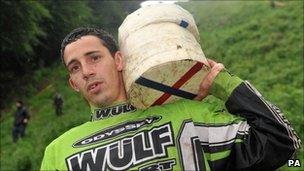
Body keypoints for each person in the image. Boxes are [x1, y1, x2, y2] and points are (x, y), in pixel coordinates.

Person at [41, 27, 301, 171]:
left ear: (118, 60)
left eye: (94, 58)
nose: (86, 71)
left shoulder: (188, 117)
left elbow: (279, 141)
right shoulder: (57, 152)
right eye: (75, 67)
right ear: (72, 83)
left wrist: (220, 81)